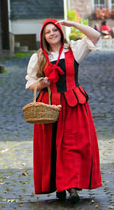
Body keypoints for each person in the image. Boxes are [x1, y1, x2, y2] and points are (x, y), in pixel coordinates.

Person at [25, 19, 102, 203]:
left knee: (74, 145)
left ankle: (72, 187)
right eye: (47, 32)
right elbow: (30, 84)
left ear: (60, 31)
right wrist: (42, 83)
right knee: (52, 146)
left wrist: (73, 24)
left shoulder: (74, 50)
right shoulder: (39, 57)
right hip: (50, 106)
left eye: (55, 30)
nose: (52, 34)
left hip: (73, 104)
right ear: (43, 37)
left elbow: (96, 36)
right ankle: (60, 186)